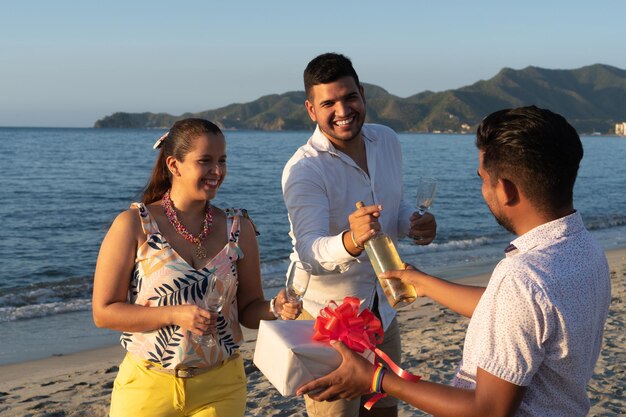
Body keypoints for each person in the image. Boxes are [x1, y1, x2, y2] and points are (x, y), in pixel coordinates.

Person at [297, 106, 612, 417]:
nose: (482, 189)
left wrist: (376, 378)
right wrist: (425, 284)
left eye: (483, 179)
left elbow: (487, 410)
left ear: (505, 190)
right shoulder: (585, 249)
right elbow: (519, 311)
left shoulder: (521, 278)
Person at [92, 118, 300, 417]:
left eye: (222, 161)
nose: (217, 171)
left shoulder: (238, 228)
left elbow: (250, 310)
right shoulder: (133, 225)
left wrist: (276, 308)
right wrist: (175, 314)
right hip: (147, 386)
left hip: (221, 387)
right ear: (174, 165)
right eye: (205, 161)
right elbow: (104, 311)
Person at [281, 52, 437, 417]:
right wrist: (351, 240)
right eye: (328, 103)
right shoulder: (303, 169)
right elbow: (308, 252)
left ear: (362, 94)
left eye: (349, 97)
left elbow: (393, 212)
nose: (342, 110)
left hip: (383, 310)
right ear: (311, 109)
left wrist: (414, 224)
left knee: (385, 411)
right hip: (329, 322)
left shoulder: (387, 140)